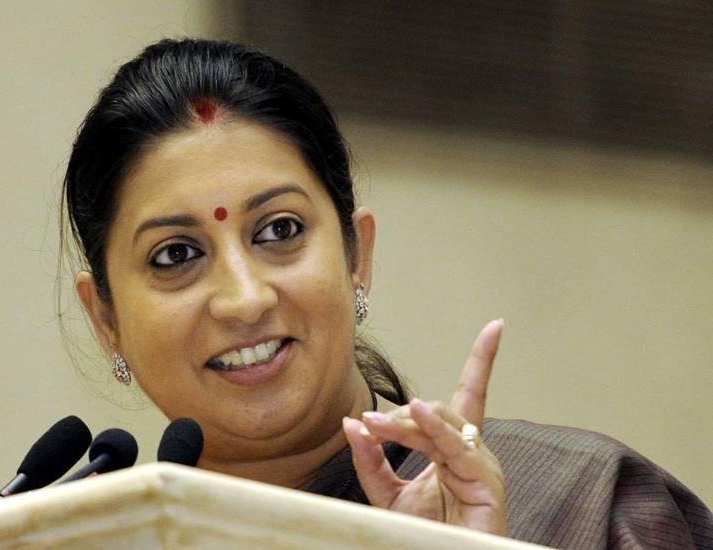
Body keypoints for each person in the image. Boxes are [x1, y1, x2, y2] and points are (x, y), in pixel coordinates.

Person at [61, 38, 712, 548]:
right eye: (176, 255)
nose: (244, 298)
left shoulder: (580, 503)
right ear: (105, 319)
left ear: (357, 255)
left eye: (280, 230)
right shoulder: (69, 541)